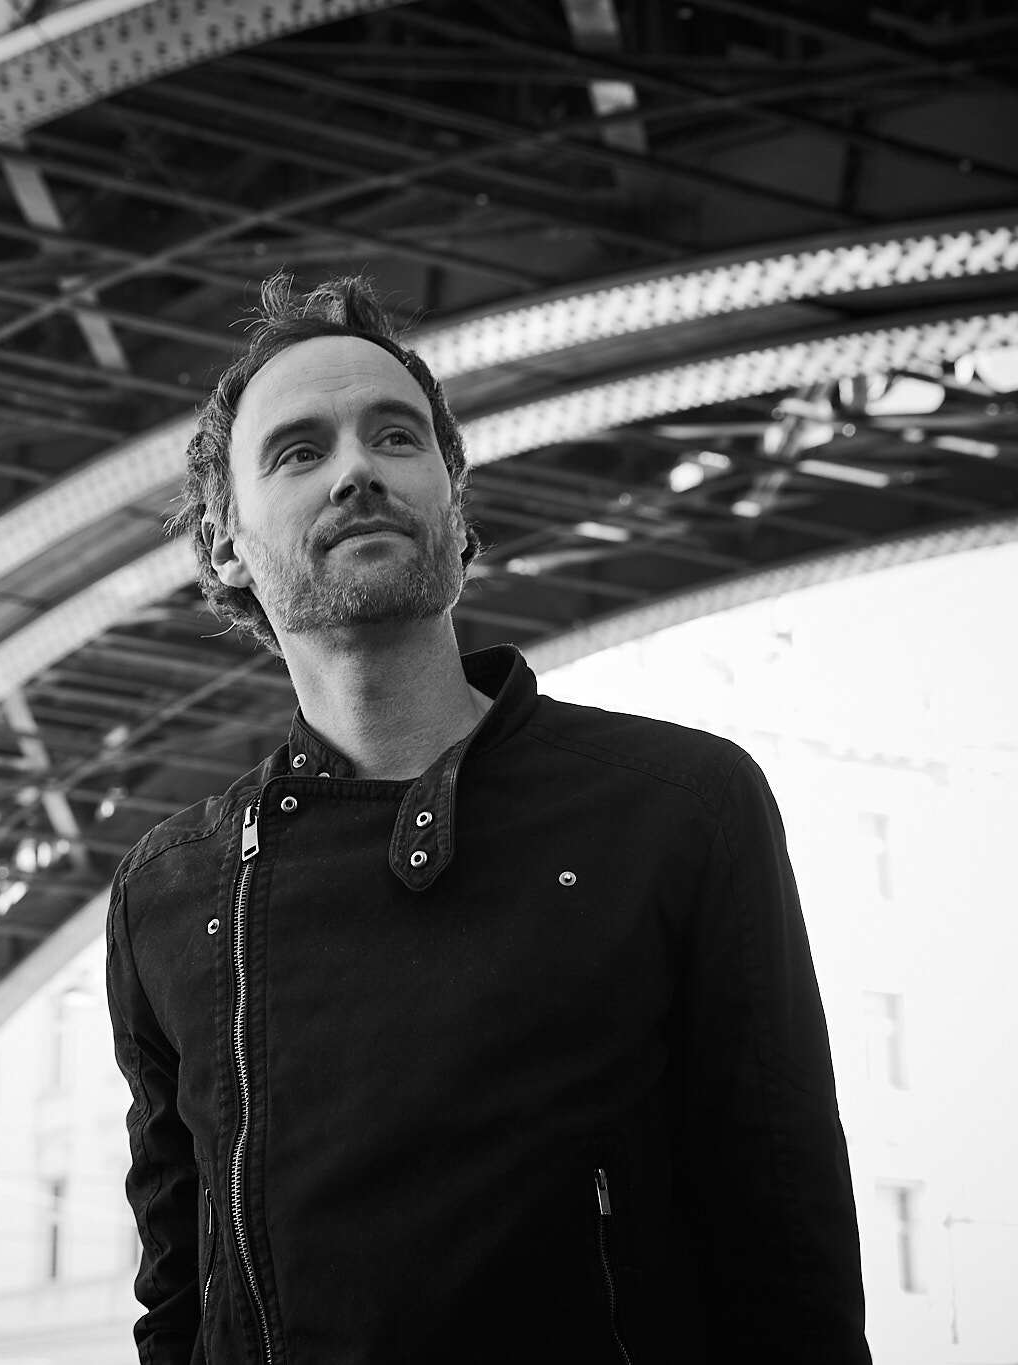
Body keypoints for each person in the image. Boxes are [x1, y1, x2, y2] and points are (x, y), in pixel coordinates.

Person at [104, 274, 869, 1364]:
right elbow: (178, 1304)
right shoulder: (166, 892)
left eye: (396, 437)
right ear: (225, 547)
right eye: (298, 452)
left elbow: (789, 1276)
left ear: (454, 506)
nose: (357, 469)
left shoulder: (682, 807)